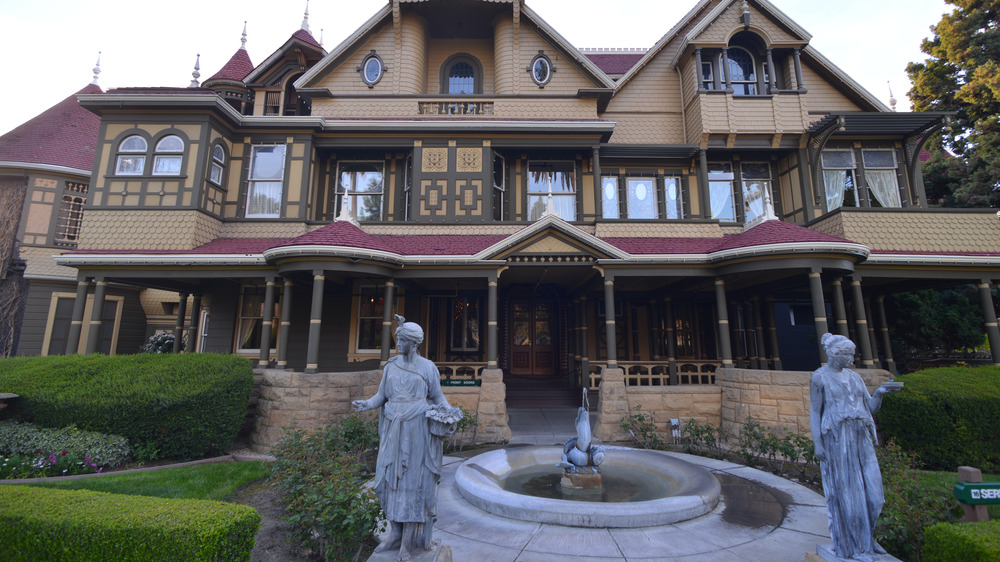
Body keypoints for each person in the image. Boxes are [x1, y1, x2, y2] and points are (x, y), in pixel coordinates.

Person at [353, 314, 458, 561]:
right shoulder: (391, 366)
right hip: (393, 428)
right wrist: (367, 404)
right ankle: (394, 534)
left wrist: (449, 413)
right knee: (387, 481)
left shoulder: (427, 368)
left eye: (401, 341)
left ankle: (409, 541)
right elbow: (382, 396)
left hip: (417, 429)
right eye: (397, 341)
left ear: (413, 342)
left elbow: (438, 398)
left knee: (414, 483)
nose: (397, 345)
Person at [810, 333, 902, 561]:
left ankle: (868, 538)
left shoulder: (854, 377)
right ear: (834, 354)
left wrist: (880, 393)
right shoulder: (819, 378)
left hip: (861, 435)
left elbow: (870, 407)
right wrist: (818, 444)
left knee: (875, 495)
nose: (852, 358)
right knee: (848, 495)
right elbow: (815, 411)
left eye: (852, 354)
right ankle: (855, 547)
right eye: (848, 354)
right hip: (837, 438)